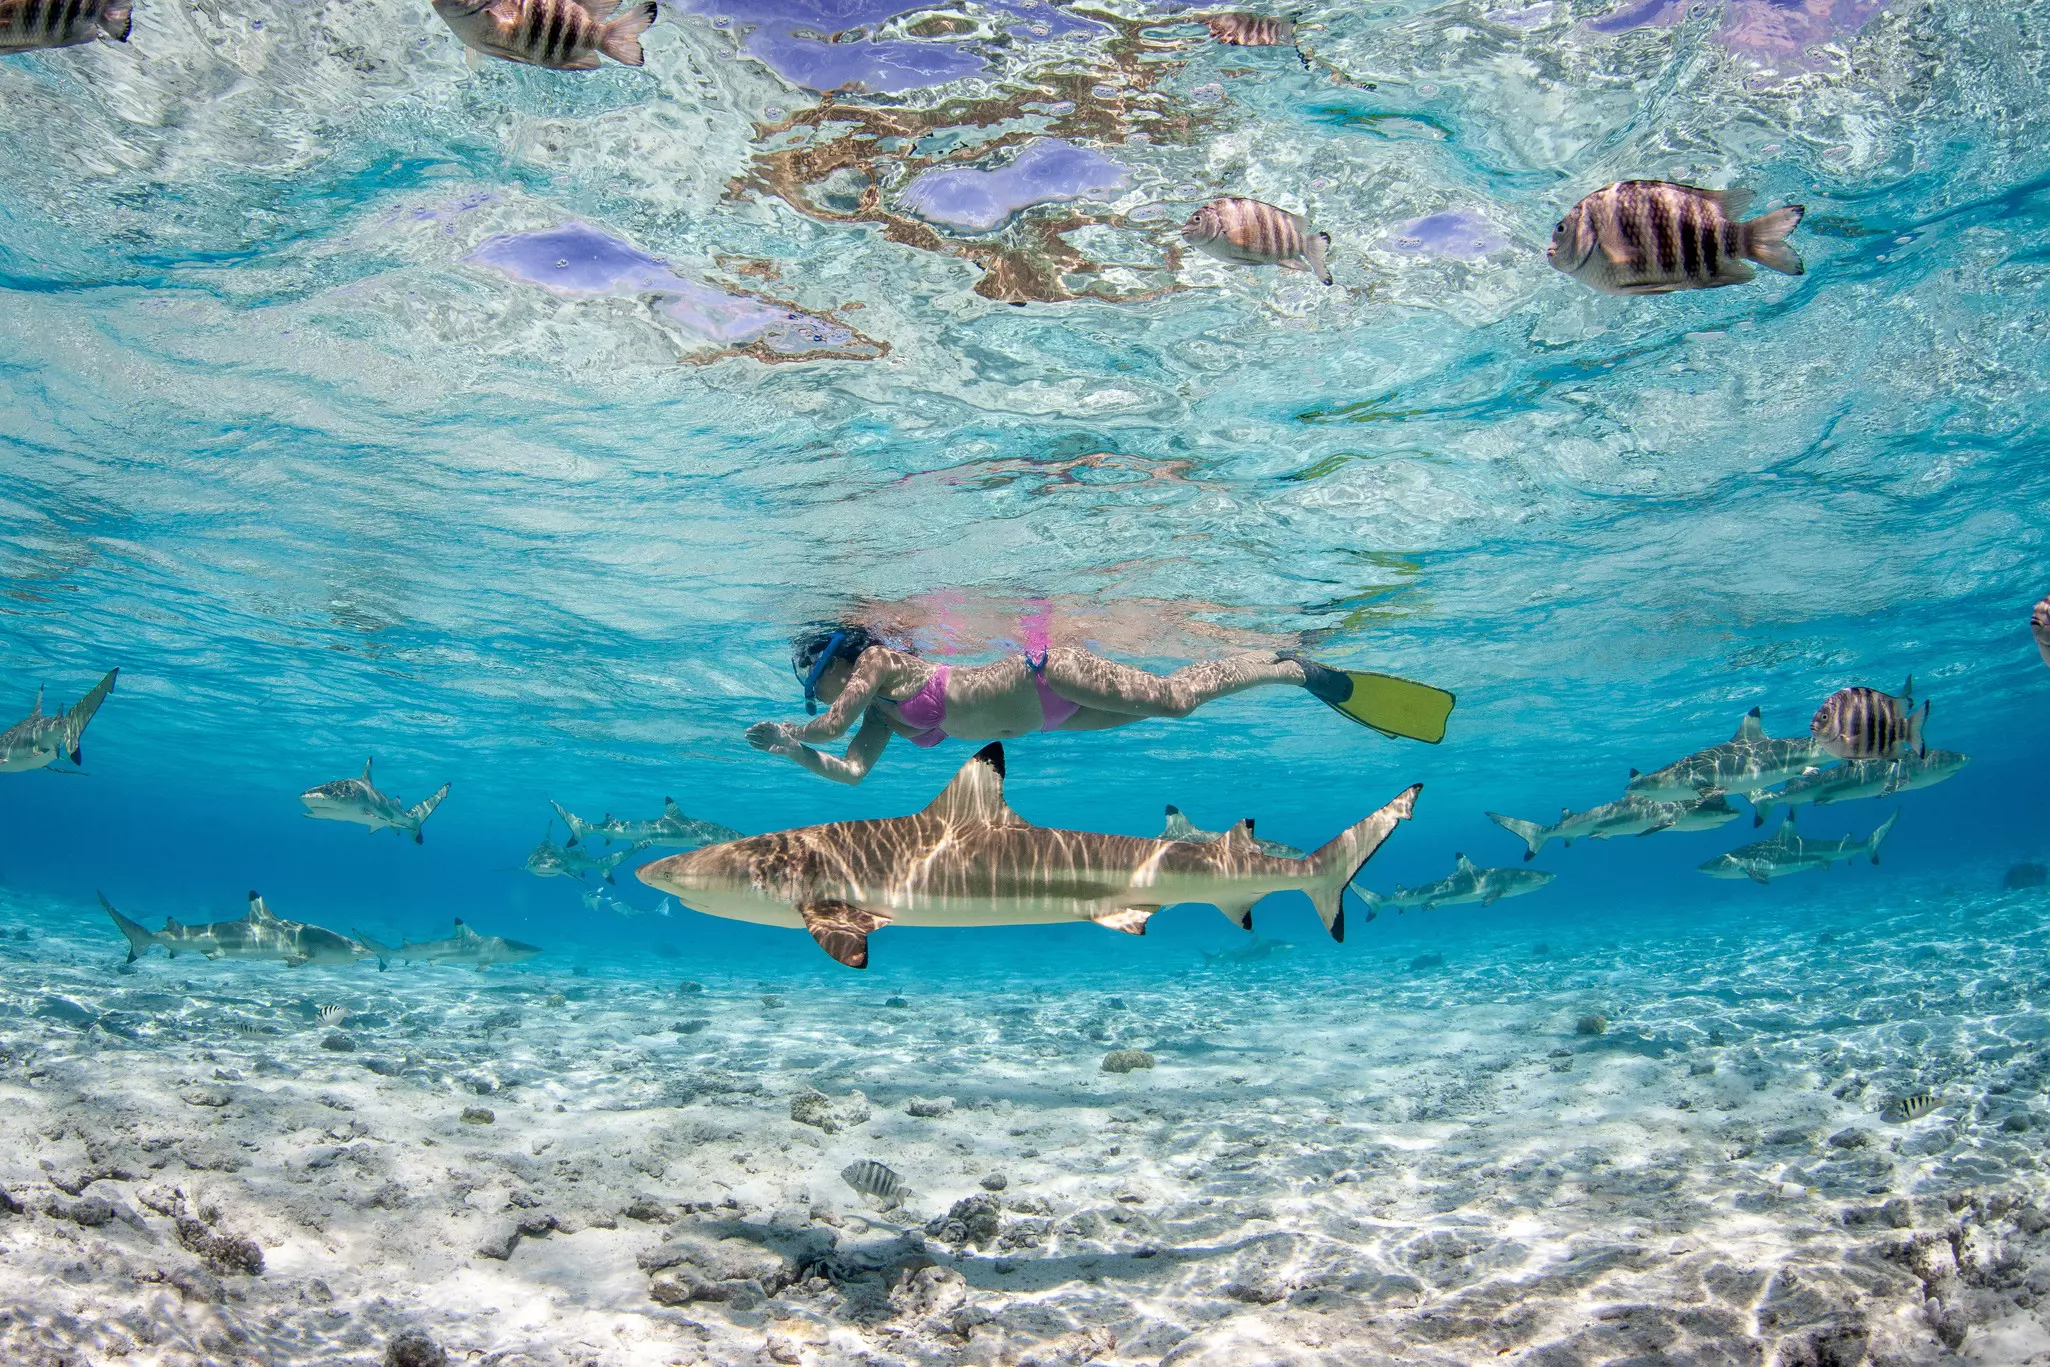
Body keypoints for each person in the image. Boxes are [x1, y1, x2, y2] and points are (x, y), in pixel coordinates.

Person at [744, 623, 1453, 785]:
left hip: (1050, 674)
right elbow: (851, 771)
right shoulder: (876, 716)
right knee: (1176, 707)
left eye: (818, 684)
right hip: (1056, 718)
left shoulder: (876, 661)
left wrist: (792, 727)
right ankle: (1277, 660)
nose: (827, 697)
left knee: (1174, 700)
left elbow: (832, 722)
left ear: (837, 661)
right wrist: (793, 750)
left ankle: (1288, 666)